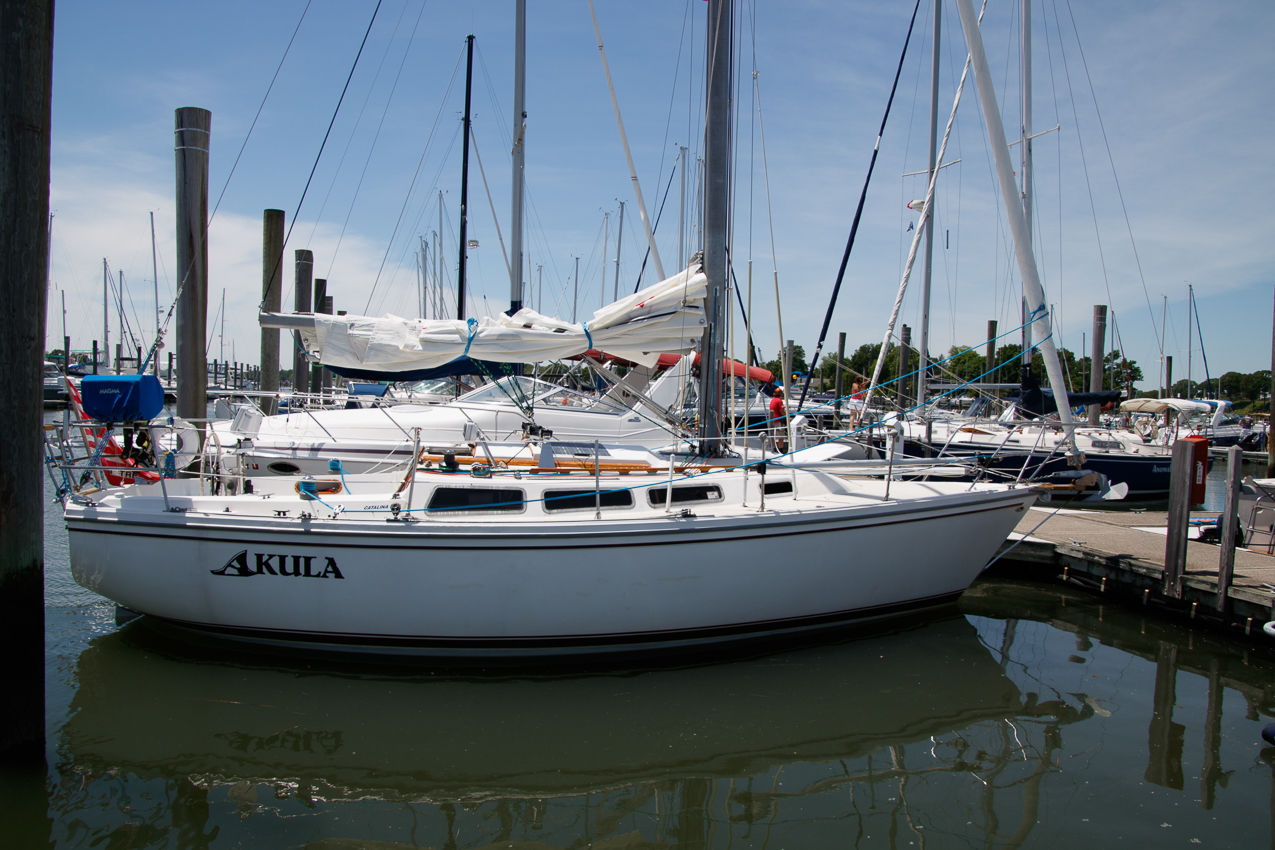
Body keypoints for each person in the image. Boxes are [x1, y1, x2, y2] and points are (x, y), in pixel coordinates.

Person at [769, 387, 787, 452]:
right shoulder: (779, 400)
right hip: (778, 421)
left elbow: (775, 408)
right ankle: (780, 450)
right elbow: (781, 411)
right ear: (780, 394)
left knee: (774, 436)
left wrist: (784, 407)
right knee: (781, 437)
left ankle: (773, 449)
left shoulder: (773, 400)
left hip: (772, 420)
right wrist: (787, 415)